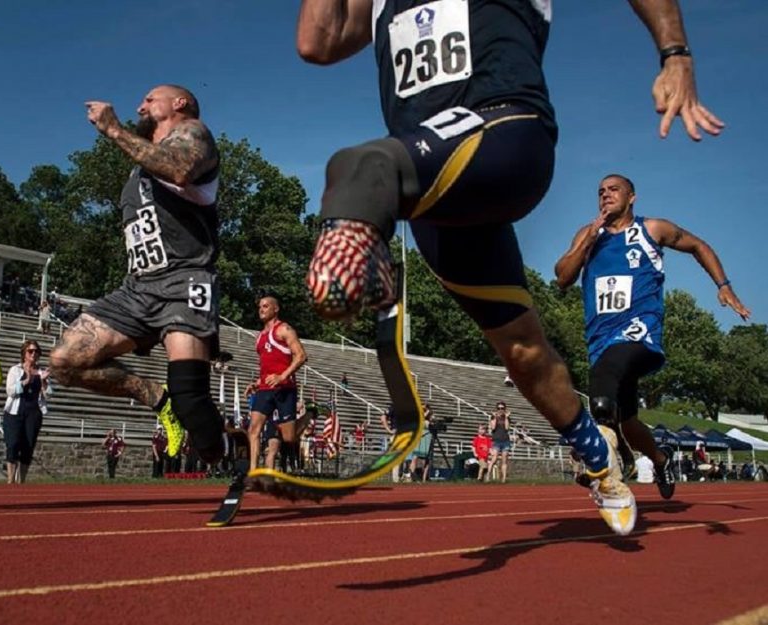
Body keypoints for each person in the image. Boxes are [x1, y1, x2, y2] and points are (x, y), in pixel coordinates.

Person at [294, 0, 723, 535]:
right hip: (436, 190)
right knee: (522, 352)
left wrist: (675, 53)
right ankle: (598, 460)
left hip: (506, 133)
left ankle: (365, 250)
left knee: (359, 166)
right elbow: (318, 41)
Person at [50, 84, 225, 467]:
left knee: (190, 397)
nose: (140, 106)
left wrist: (113, 129)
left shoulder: (194, 133)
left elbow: (180, 169)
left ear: (179, 103)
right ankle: (155, 397)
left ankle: (228, 460)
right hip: (138, 288)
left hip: (183, 281)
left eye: (149, 99)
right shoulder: (140, 165)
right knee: (65, 362)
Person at [554, 173, 750, 500]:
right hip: (601, 338)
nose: (606, 195)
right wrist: (587, 241)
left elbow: (698, 245)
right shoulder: (588, 234)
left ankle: (604, 459)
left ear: (632, 197)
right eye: (601, 191)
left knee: (602, 390)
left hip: (639, 329)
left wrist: (724, 285)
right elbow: (562, 278)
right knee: (628, 420)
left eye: (614, 189)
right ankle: (660, 459)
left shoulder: (651, 229)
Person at [249, 296, 308, 471]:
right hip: (265, 389)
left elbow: (301, 356)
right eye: (260, 306)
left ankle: (311, 413)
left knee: (289, 438)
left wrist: (282, 377)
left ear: (276, 309)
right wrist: (257, 382)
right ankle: (253, 472)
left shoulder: (284, 329)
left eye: (266, 306)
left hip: (285, 388)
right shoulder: (259, 337)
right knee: (253, 429)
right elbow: (268, 365)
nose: (261, 309)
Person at [3, 340, 51, 484]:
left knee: (28, 446)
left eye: (36, 351)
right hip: (14, 412)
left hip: (33, 413)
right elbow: (10, 391)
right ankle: (10, 480)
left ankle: (21, 481)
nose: (33, 354)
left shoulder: (42, 372)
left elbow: (49, 394)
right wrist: (25, 381)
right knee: (12, 444)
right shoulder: (15, 370)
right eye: (30, 351)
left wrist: (44, 382)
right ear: (24, 353)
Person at [484, 402, 512, 483]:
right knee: (494, 458)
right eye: (499, 408)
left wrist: (506, 417)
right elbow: (493, 427)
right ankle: (488, 475)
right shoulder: (493, 417)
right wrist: (495, 417)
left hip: (505, 440)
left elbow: (507, 428)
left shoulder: (507, 418)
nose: (500, 410)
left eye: (502, 408)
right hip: (496, 440)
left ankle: (504, 479)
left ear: (505, 409)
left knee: (504, 460)